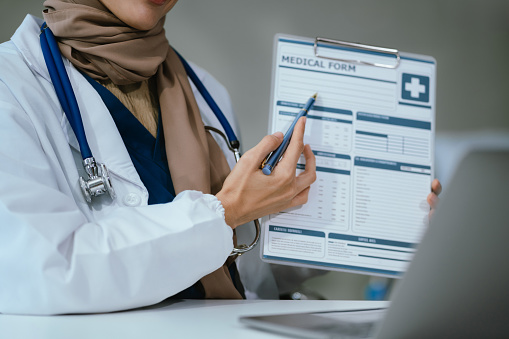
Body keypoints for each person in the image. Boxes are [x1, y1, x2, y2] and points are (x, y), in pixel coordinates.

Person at [0, 0, 441, 315]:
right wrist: (223, 212)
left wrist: (378, 226)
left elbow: (238, 266)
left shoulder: (202, 93)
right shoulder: (13, 88)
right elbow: (50, 270)